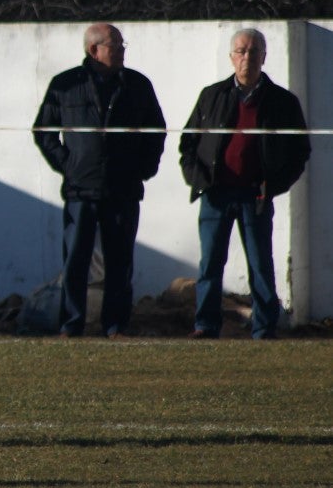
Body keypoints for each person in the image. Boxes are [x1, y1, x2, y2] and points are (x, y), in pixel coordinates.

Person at [33, 23, 166, 338]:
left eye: (122, 45)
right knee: (76, 261)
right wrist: (68, 165)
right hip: (81, 189)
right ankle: (71, 324)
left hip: (123, 188)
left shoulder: (137, 84)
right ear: (94, 50)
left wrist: (143, 169)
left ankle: (116, 324)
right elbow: (43, 131)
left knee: (120, 263)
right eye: (115, 45)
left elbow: (156, 131)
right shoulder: (65, 84)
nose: (122, 50)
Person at [178, 29, 310, 340]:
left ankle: (264, 327)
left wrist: (274, 185)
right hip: (216, 194)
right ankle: (206, 325)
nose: (246, 57)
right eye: (241, 51)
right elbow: (188, 143)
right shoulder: (212, 95)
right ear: (231, 57)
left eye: (253, 52)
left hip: (256, 195)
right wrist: (198, 180)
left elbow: (300, 151)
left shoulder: (282, 102)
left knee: (260, 263)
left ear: (264, 57)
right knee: (210, 263)